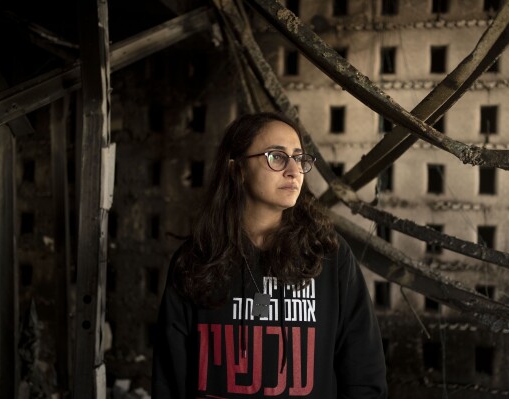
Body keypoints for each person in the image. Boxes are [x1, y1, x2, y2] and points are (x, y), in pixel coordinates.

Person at [152, 112, 387, 398]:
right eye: (276, 157)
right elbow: (169, 379)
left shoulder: (329, 256)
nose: (294, 170)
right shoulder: (194, 260)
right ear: (236, 169)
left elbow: (364, 373)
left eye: (299, 158)